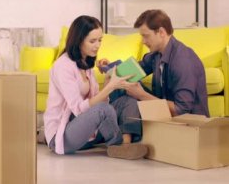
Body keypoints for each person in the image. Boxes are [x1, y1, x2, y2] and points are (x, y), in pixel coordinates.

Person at [43, 15, 148, 159]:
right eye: (92, 41)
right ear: (78, 41)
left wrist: (107, 81)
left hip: (88, 135)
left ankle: (126, 143)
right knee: (103, 110)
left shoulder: (86, 64)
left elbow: (98, 103)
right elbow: (79, 109)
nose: (97, 45)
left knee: (127, 101)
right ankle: (117, 146)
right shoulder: (63, 66)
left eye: (100, 40)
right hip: (62, 136)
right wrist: (110, 87)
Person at [107, 9, 209, 144]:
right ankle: (125, 139)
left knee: (131, 93)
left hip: (188, 124)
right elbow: (132, 71)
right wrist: (109, 68)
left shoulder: (183, 61)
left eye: (146, 36)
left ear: (161, 32)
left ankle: (124, 139)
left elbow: (181, 111)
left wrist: (141, 95)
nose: (143, 41)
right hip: (163, 114)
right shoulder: (156, 54)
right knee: (123, 82)